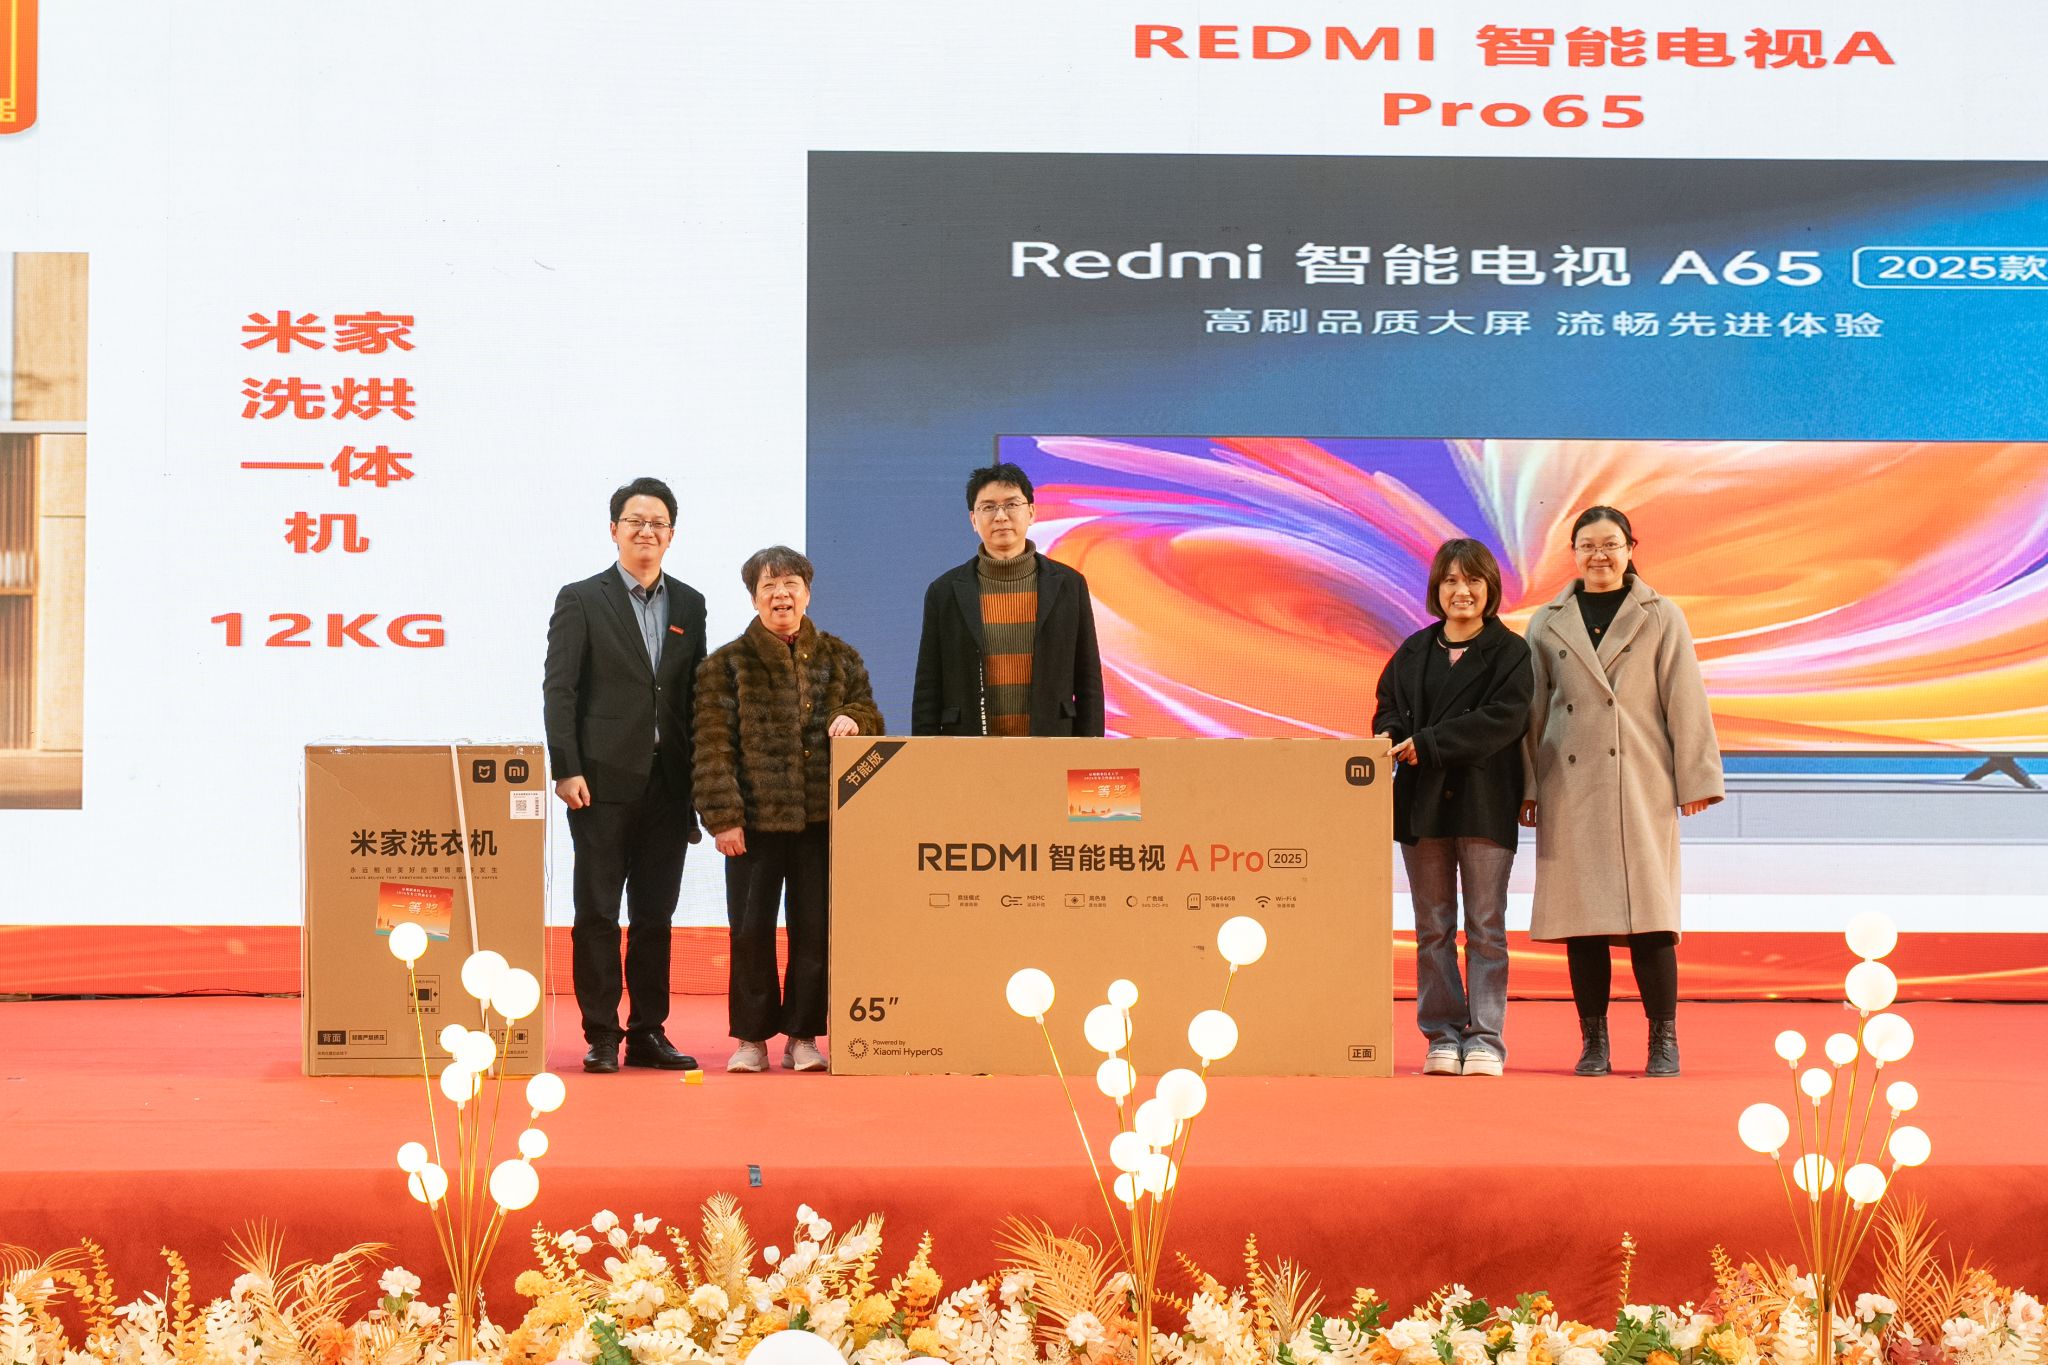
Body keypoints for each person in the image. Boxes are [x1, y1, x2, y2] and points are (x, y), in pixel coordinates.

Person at [1518, 506, 1724, 1078]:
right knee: (1582, 920)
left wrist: (1696, 778)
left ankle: (1663, 1039)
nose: (1599, 556)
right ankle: (1594, 1042)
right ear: (1573, 553)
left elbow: (1685, 697)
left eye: (1610, 544)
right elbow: (1530, 712)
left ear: (1631, 547)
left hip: (1640, 779)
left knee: (1651, 918)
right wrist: (1527, 785)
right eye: (1587, 546)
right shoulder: (1547, 621)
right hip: (1569, 783)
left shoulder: (1660, 614)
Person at [695, 546, 884, 1073]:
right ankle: (751, 1039)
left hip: (820, 823)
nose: (781, 595)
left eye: (790, 584)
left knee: (813, 930)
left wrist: (855, 717)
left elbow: (872, 715)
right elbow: (712, 748)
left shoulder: (841, 658)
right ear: (753, 598)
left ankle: (803, 1036)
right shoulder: (725, 665)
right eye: (769, 586)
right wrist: (723, 818)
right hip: (752, 825)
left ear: (807, 592)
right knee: (750, 932)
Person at [542, 477, 707, 1074]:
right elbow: (560, 689)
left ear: (671, 535)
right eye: (635, 521)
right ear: (614, 530)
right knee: (598, 914)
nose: (646, 531)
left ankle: (647, 1032)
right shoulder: (582, 598)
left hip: (669, 785)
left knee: (655, 918)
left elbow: (692, 694)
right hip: (600, 783)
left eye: (657, 523)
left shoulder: (689, 603)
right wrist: (566, 768)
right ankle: (602, 1034)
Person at [1372, 540, 1534, 1077]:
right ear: (1436, 589)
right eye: (1450, 581)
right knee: (1433, 927)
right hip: (1421, 806)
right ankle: (1441, 1034)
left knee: (1485, 926)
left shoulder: (1510, 652)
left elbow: (1505, 719)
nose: (1461, 591)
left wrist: (1431, 743)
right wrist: (1388, 734)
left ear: (1490, 588)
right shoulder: (1414, 650)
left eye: (1472, 581)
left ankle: (1485, 1039)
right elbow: (1389, 706)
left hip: (1484, 803)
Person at [912, 462, 1106, 737]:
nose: (1000, 516)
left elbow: (1088, 682)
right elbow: (928, 688)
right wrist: (925, 754)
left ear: (1031, 512)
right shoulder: (943, 592)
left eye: (1011, 504)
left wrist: (1092, 750)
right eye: (988, 507)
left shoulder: (1069, 585)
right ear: (973, 520)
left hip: (1054, 743)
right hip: (969, 746)